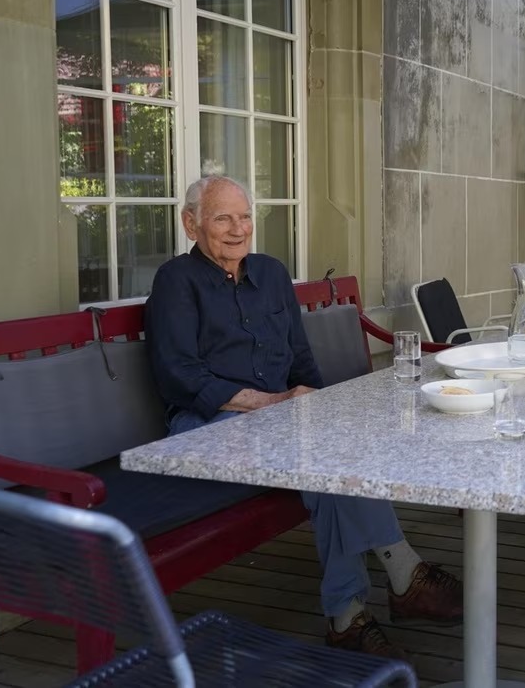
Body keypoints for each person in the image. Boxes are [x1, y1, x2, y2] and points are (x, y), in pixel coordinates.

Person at [146, 175, 462, 659]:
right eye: (222, 218)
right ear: (191, 224)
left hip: (282, 418)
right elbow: (180, 377)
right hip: (206, 426)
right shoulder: (176, 280)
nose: (238, 229)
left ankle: (349, 613)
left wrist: (318, 403)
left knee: (333, 450)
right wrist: (274, 405)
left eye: (245, 216)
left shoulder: (271, 274)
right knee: (321, 452)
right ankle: (400, 576)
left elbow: (299, 358)